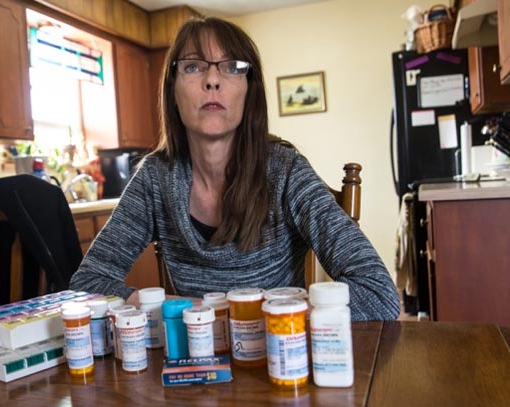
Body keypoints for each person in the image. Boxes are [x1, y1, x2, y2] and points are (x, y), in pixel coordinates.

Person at [69, 17, 400, 321]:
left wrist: (257, 316)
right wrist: (186, 310)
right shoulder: (154, 178)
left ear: (249, 90)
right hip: (194, 367)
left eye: (232, 67)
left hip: (278, 364)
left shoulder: (285, 170)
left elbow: (379, 293)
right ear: (173, 89)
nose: (212, 80)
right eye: (193, 67)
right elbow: (87, 284)